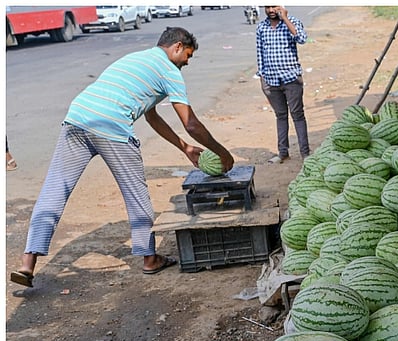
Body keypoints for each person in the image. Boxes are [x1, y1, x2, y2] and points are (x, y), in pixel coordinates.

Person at [10, 27, 234, 288]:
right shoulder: (169, 71)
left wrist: (184, 147)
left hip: (78, 118)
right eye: (188, 55)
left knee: (54, 190)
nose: (187, 62)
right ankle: (149, 259)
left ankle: (27, 263)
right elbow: (191, 123)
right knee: (136, 195)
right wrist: (223, 153)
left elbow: (152, 116)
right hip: (112, 127)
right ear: (177, 46)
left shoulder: (136, 59)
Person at [256, 5, 311, 164]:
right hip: (271, 80)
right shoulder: (261, 27)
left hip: (291, 78)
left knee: (297, 115)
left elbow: (301, 39)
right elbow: (260, 53)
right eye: (268, 7)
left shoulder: (292, 22)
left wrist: (285, 18)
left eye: (274, 6)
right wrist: (262, 78)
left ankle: (305, 153)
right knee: (280, 115)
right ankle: (283, 152)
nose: (271, 10)